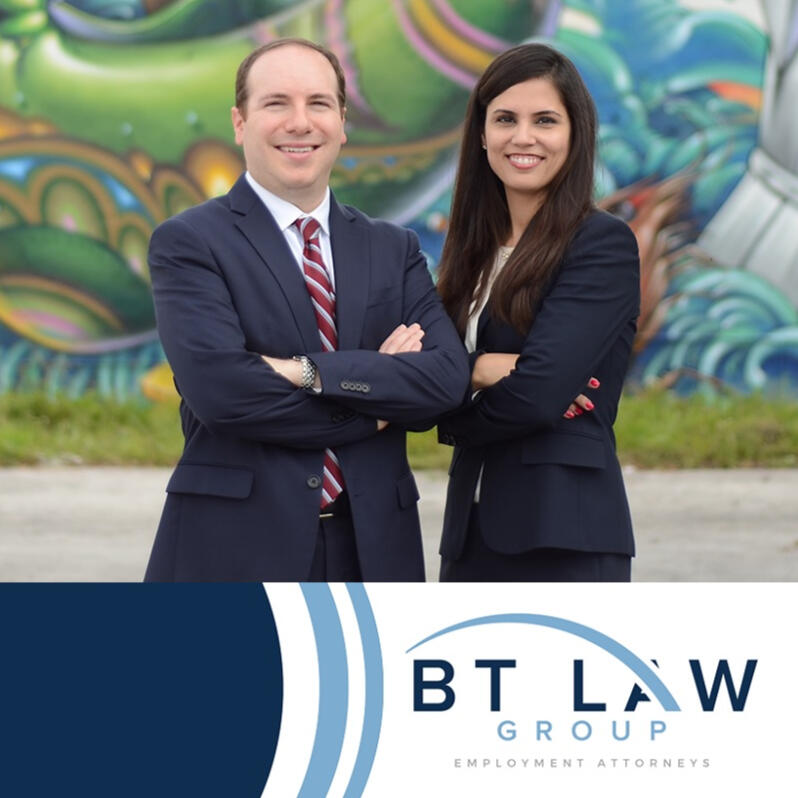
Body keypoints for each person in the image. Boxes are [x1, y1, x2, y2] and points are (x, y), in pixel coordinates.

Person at [144, 38, 469, 582]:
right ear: (240, 122)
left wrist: (306, 372)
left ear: (342, 123)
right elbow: (224, 393)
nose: (300, 123)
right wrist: (378, 405)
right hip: (235, 548)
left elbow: (444, 381)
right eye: (276, 103)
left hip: (374, 552)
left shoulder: (393, 248)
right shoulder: (189, 242)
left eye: (318, 103)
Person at [435, 43, 640, 582]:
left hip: (564, 533)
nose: (523, 137)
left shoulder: (600, 244)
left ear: (574, 134)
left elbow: (538, 395)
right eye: (505, 119)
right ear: (483, 135)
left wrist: (450, 400)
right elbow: (418, 373)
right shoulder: (470, 253)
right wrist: (481, 369)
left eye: (545, 120)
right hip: (470, 532)